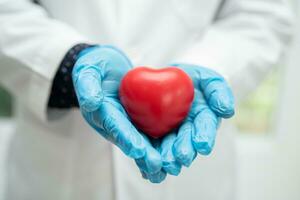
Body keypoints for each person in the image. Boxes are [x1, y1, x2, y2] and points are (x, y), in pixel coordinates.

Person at [0, 0, 293, 200]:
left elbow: (261, 14)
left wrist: (210, 66)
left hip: (194, 181)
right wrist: (68, 62)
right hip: (54, 172)